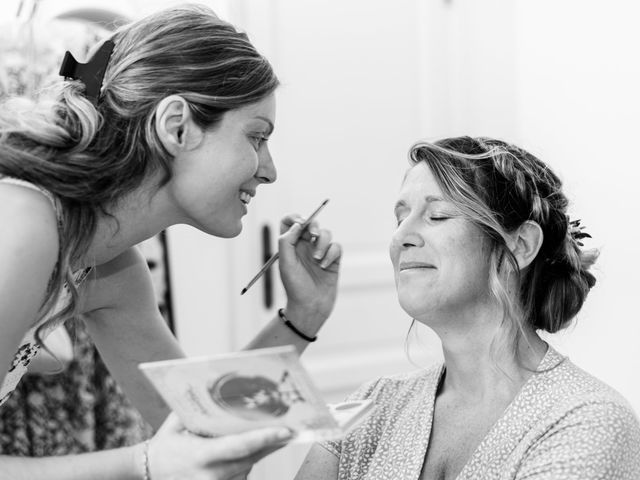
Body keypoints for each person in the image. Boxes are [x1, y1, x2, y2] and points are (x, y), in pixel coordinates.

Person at [0, 4, 341, 479]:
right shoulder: (21, 224)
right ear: (176, 126)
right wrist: (145, 464)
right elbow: (174, 457)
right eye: (256, 137)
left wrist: (304, 314)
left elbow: (206, 434)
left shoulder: (112, 271)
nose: (269, 170)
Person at [295, 136, 640, 480]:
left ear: (520, 245)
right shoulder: (369, 406)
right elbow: (238, 457)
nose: (401, 237)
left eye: (438, 215)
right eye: (400, 218)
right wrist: (300, 315)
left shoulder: (587, 420)